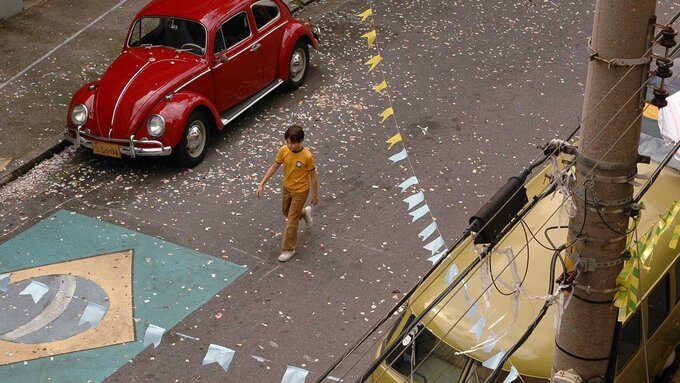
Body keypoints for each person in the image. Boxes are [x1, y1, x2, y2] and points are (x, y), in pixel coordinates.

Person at [256, 125, 319, 262]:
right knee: (287, 212)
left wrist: (314, 195)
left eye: (292, 143)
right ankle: (304, 213)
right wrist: (262, 183)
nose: (289, 145)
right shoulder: (284, 151)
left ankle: (289, 249)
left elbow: (313, 176)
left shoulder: (307, 157)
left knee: (291, 220)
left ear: (301, 141)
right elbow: (274, 167)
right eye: (287, 142)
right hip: (287, 188)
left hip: (301, 191)